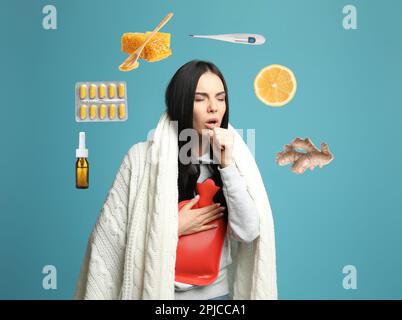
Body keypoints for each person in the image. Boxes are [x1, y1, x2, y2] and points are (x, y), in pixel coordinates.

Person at [75, 60, 277, 300]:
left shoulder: (235, 159)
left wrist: (227, 164)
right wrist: (175, 226)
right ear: (181, 103)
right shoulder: (140, 159)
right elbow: (112, 242)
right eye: (200, 98)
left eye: (220, 98)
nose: (213, 107)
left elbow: (248, 232)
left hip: (217, 296)